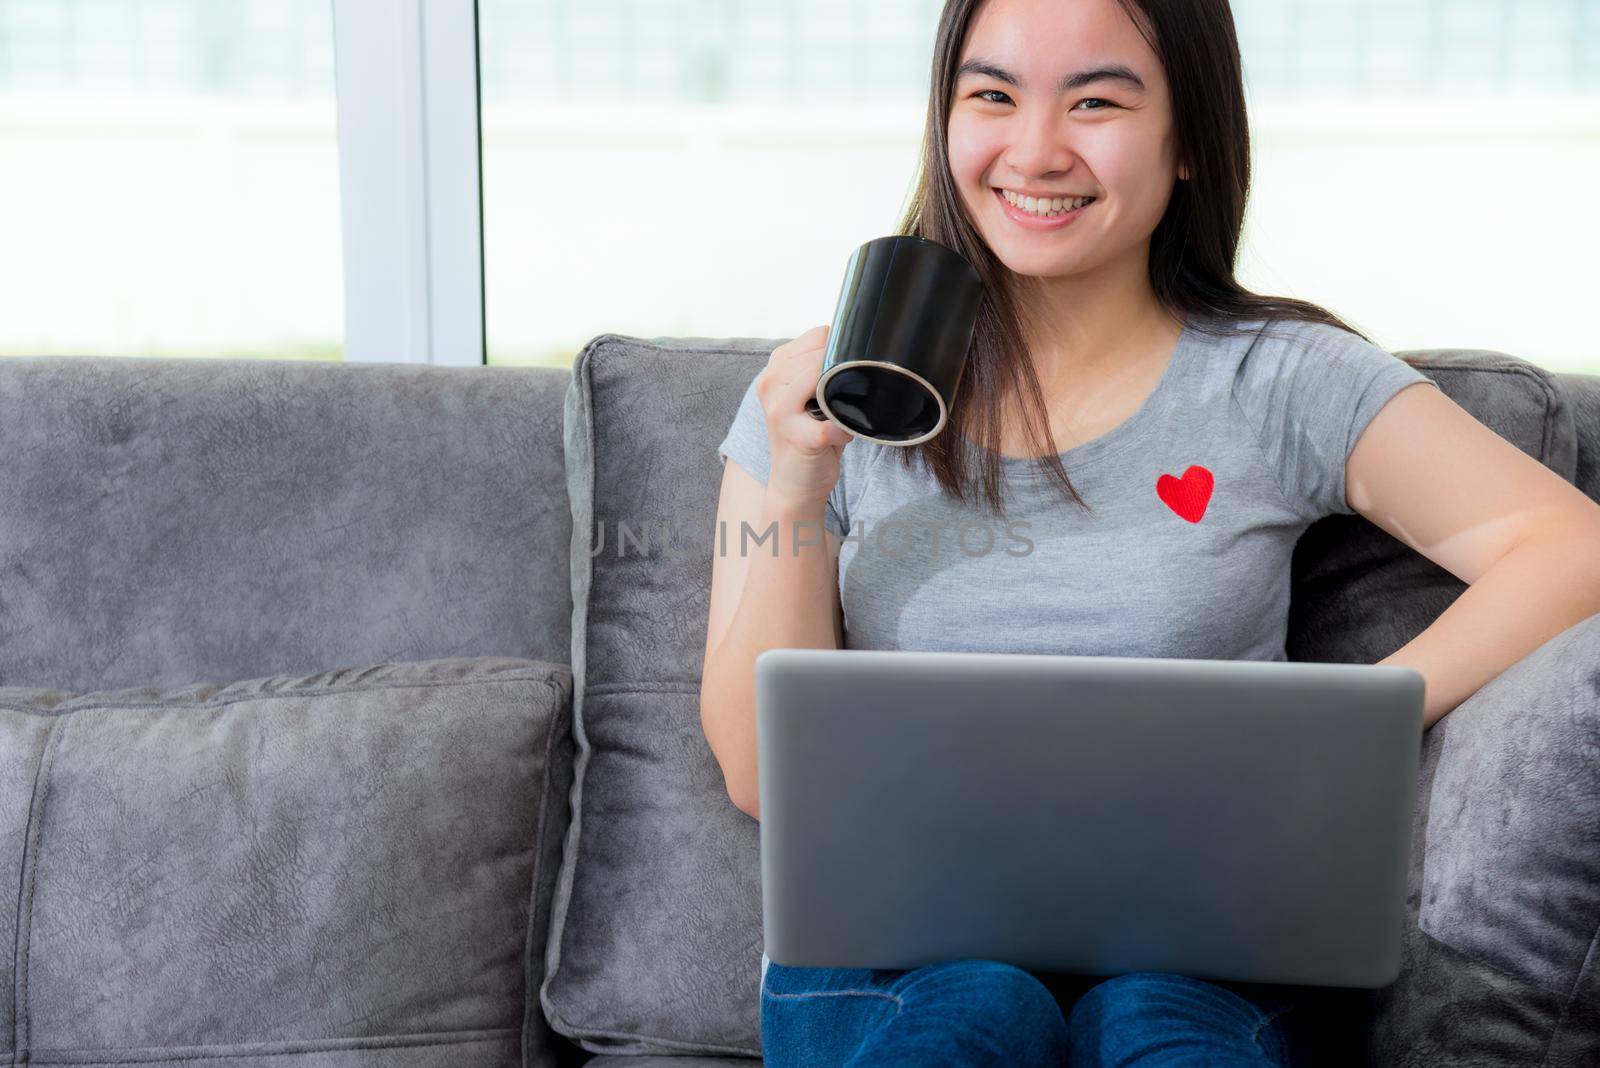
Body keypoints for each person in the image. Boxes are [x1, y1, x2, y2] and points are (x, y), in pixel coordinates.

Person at [699, 0, 1600, 1064]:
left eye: (1096, 102)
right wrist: (798, 480)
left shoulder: (1278, 381)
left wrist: (1360, 715)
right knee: (975, 1012)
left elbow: (1567, 546)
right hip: (890, 956)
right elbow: (760, 773)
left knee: (1159, 1028)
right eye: (991, 95)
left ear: (1187, 145)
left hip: (1205, 949)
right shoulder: (830, 395)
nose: (1034, 150)